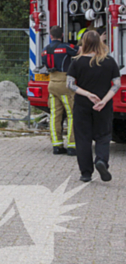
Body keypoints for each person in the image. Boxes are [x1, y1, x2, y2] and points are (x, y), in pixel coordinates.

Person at [66, 30, 120, 182]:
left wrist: (87, 94)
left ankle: (86, 173)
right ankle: (101, 160)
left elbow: (70, 84)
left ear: (84, 43)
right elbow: (116, 84)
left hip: (83, 105)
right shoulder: (109, 61)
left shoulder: (76, 62)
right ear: (100, 43)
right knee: (103, 136)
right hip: (103, 106)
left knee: (83, 138)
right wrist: (104, 100)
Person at [41, 25, 78, 155]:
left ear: (50, 36)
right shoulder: (66, 47)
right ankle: (72, 146)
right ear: (62, 35)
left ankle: (57, 145)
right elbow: (78, 52)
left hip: (52, 83)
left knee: (55, 116)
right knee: (72, 114)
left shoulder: (44, 50)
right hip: (64, 84)